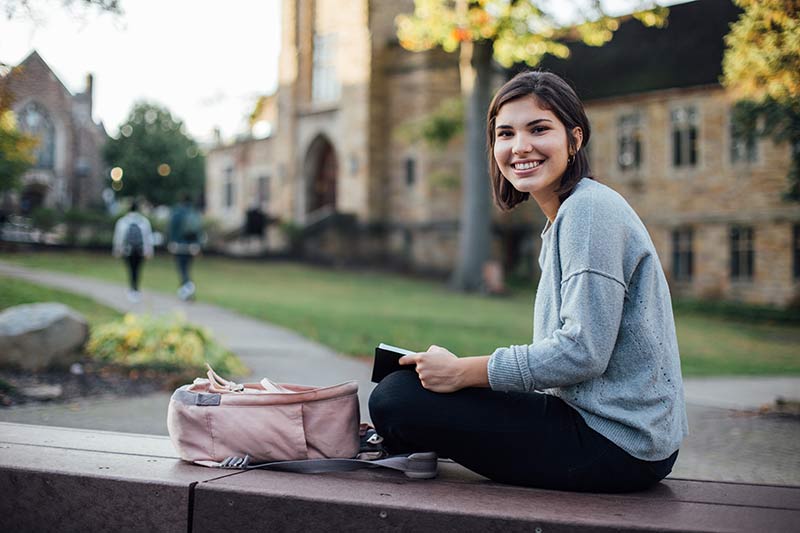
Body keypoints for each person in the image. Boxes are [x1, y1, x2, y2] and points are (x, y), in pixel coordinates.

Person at [368, 71, 688, 493]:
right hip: (598, 428)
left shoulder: (589, 212)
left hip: (617, 445)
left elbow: (582, 352)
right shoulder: (566, 217)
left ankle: (415, 442)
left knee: (397, 399)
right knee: (410, 386)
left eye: (539, 129)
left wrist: (464, 372)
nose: (520, 147)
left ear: (574, 139)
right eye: (506, 133)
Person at [112, 200, 154, 303]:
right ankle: (136, 289)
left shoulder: (123, 221)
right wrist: (149, 251)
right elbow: (148, 237)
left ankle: (132, 289)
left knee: (131, 269)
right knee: (137, 270)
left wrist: (117, 250)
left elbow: (119, 237)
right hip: (140, 251)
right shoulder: (144, 221)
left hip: (128, 251)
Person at [168, 193, 203, 301]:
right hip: (192, 246)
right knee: (187, 267)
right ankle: (185, 289)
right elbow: (198, 230)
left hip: (179, 246)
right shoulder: (194, 212)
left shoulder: (177, 213)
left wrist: (171, 242)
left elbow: (172, 229)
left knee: (182, 268)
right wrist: (198, 245)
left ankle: (188, 286)